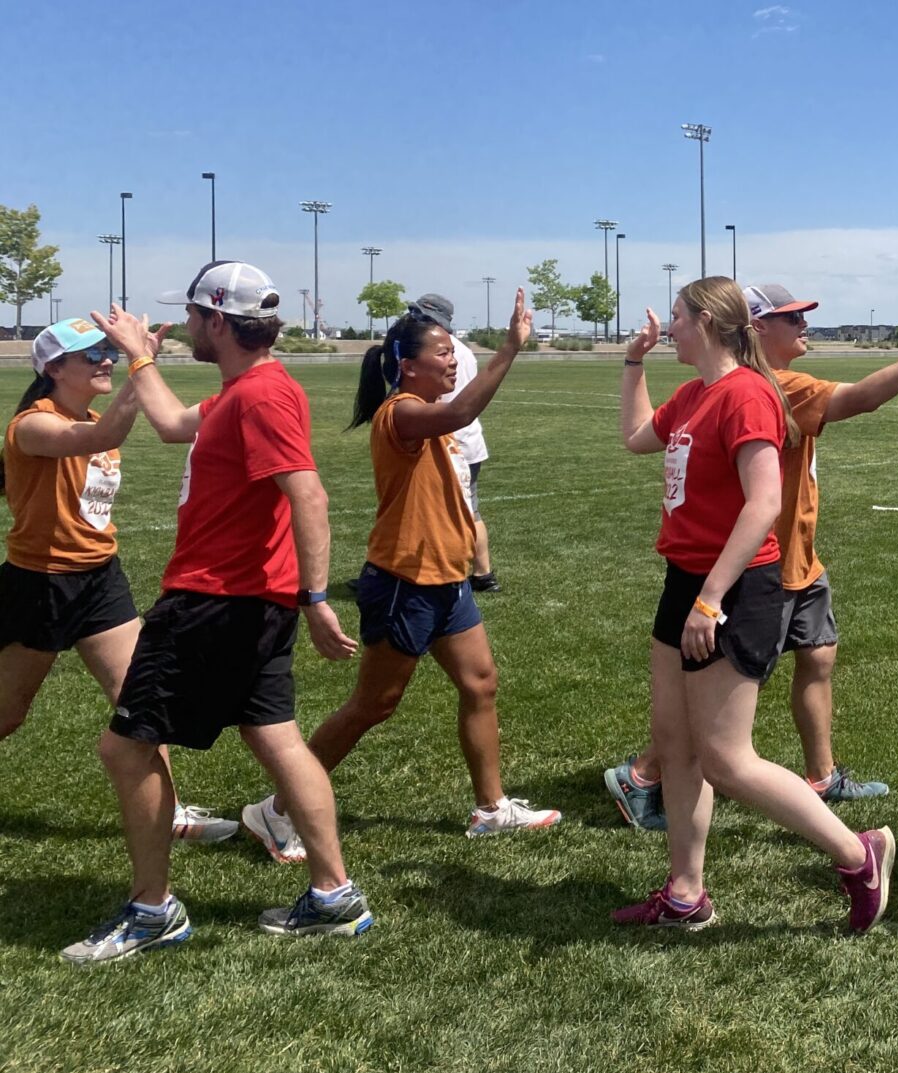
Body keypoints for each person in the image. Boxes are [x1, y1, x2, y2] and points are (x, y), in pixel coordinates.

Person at [60, 261, 372, 966]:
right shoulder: (244, 391)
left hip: (216, 600)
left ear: (219, 323)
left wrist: (317, 598)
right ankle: (334, 895)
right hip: (243, 600)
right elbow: (172, 424)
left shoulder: (261, 398)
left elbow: (309, 495)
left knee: (127, 745)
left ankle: (151, 911)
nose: (190, 329)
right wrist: (141, 355)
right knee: (276, 739)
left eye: (195, 319)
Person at [603, 283, 898, 826]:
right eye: (792, 318)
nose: (804, 325)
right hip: (750, 569)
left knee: (810, 660)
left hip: (789, 559)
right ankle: (648, 774)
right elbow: (861, 400)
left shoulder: (750, 387)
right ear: (756, 326)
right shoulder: (765, 389)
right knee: (722, 722)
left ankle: (818, 778)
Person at [241, 290, 559, 862]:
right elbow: (462, 411)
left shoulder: (425, 412)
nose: (452, 358)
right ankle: (276, 810)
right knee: (373, 705)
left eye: (453, 351)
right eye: (441, 352)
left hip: (446, 580)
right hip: (405, 580)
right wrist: (510, 348)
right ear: (407, 366)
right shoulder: (402, 413)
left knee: (480, 684)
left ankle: (491, 809)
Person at [1, 319, 236, 843]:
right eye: (92, 355)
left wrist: (137, 361)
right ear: (54, 369)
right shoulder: (34, 425)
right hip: (41, 586)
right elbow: (104, 434)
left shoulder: (88, 414)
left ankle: (169, 811)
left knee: (142, 697)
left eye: (107, 351)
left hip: (100, 580)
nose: (104, 359)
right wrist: (138, 363)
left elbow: (104, 432)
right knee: (7, 713)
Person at [411, 293, 501, 594]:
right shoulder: (462, 350)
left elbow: (446, 404)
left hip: (453, 440)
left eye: (419, 314)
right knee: (469, 510)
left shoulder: (440, 350)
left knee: (447, 510)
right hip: (466, 440)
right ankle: (482, 574)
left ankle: (463, 573)